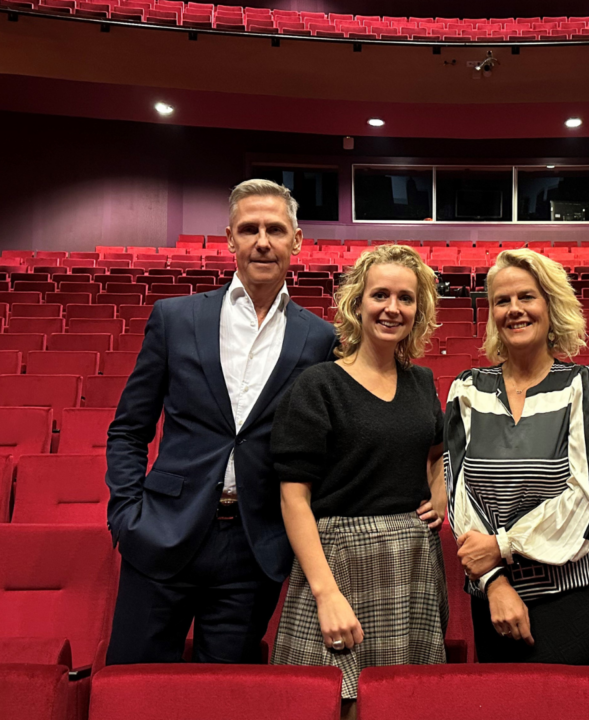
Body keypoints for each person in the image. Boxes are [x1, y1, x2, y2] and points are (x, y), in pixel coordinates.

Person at [104, 179, 338, 665]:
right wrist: (127, 517)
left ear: (296, 241)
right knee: (133, 690)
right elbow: (130, 427)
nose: (262, 242)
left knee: (227, 700)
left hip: (252, 549)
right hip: (162, 534)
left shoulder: (319, 338)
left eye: (275, 230)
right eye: (249, 229)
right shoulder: (175, 317)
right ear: (229, 238)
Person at [271, 244, 448, 709]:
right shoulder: (319, 384)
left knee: (407, 704)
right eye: (380, 295)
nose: (392, 308)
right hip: (338, 561)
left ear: (419, 310)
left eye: (406, 299)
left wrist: (440, 488)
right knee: (337, 705)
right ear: (357, 303)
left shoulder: (423, 382)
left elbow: (437, 452)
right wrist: (326, 593)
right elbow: (293, 498)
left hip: (412, 562)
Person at [444, 248, 589, 665]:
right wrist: (494, 581)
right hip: (492, 590)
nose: (514, 310)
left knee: (558, 703)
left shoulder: (585, 384)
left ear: (550, 305)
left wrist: (502, 547)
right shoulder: (467, 389)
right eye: (502, 301)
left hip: (573, 588)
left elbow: (588, 497)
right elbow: (458, 497)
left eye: (526, 297)